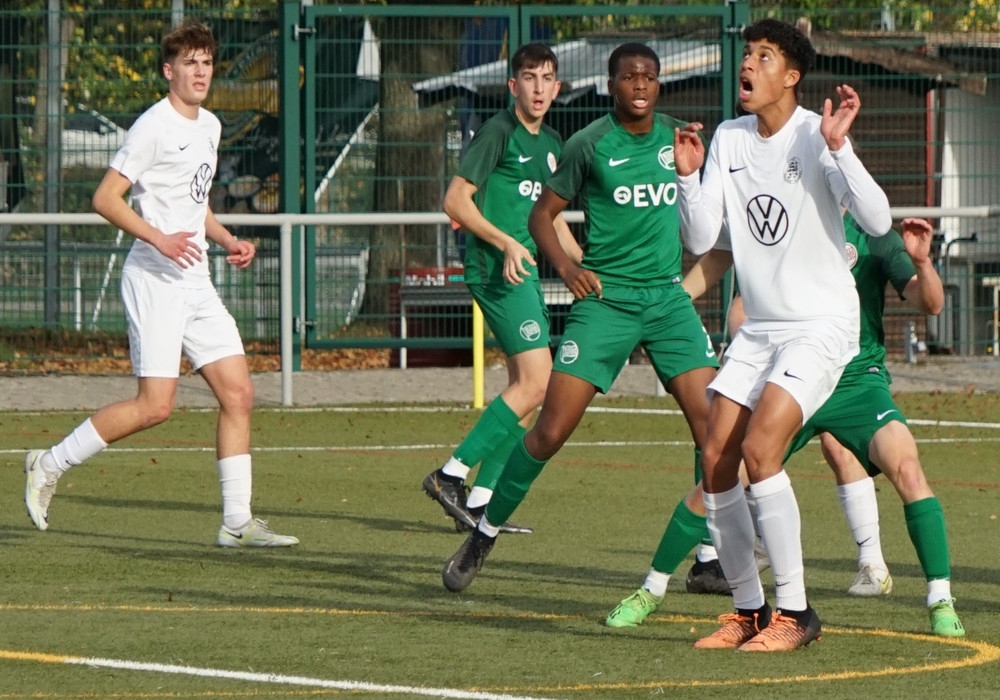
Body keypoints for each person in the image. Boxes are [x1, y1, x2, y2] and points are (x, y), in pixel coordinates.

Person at [441, 42, 719, 593]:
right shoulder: (587, 143)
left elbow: (701, 231)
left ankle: (710, 556)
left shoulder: (678, 137)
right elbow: (541, 216)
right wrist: (568, 269)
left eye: (649, 76)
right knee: (549, 429)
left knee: (713, 428)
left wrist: (691, 175)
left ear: (659, 84)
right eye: (628, 77)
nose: (639, 85)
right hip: (606, 302)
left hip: (667, 300)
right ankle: (483, 532)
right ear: (610, 85)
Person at [23, 20, 297, 548]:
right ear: (169, 71)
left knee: (239, 393)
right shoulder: (152, 126)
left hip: (196, 280)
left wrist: (227, 239)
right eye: (190, 63)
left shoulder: (211, 125)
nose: (200, 72)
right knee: (155, 406)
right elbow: (105, 198)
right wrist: (158, 239)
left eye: (207, 62)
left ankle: (237, 524)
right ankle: (48, 463)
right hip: (154, 280)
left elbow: (195, 202)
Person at [674, 18, 892, 651]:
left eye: (764, 56)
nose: (748, 64)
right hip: (763, 328)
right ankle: (749, 610)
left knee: (761, 449)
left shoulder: (816, 135)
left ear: (791, 76)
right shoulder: (728, 137)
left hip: (821, 324)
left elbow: (878, 220)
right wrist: (688, 177)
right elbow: (701, 237)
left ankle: (796, 614)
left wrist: (840, 148)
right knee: (716, 457)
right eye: (747, 54)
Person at [421, 43, 582, 536]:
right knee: (538, 382)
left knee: (526, 392)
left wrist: (586, 267)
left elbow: (550, 219)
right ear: (514, 86)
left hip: (522, 271)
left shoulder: (552, 142)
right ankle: (450, 475)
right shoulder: (498, 131)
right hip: (497, 271)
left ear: (557, 87)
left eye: (547, 78)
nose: (538, 88)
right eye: (529, 78)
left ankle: (480, 504)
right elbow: (455, 201)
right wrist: (506, 242)